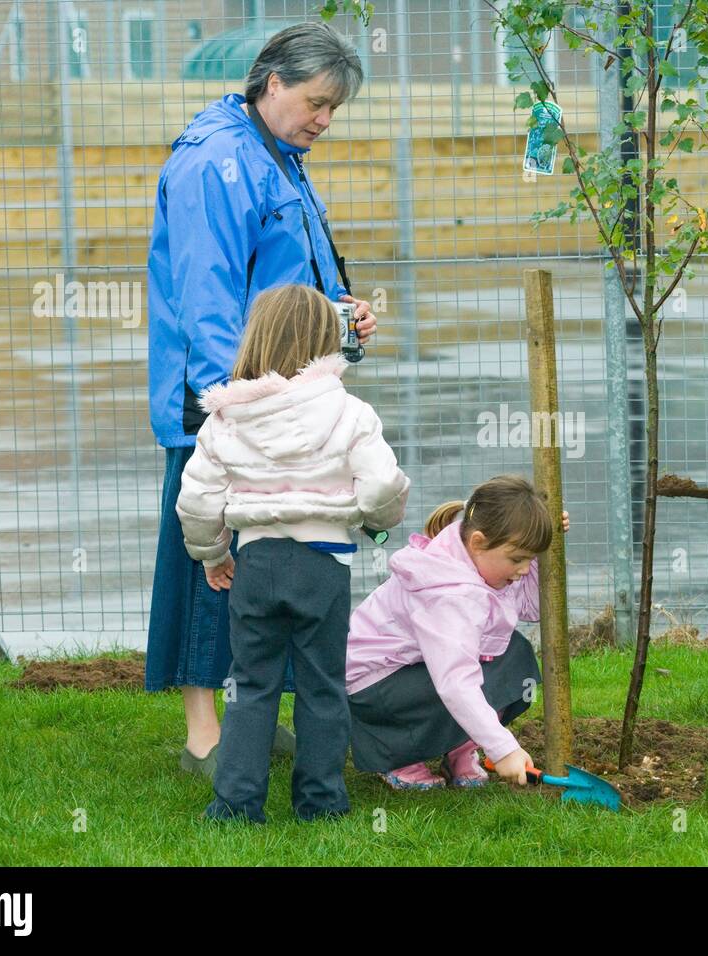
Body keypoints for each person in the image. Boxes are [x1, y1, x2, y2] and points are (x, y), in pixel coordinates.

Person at [145, 21, 378, 775]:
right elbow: (208, 300)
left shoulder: (278, 154)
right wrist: (239, 402)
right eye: (316, 102)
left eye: (334, 108)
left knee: (268, 554)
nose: (324, 120)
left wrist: (342, 315)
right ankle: (203, 735)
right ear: (270, 83)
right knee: (206, 556)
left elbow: (294, 271)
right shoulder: (217, 163)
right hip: (225, 399)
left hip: (285, 392)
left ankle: (246, 716)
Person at [175, 284, 409, 822]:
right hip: (323, 565)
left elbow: (197, 499)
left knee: (250, 683)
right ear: (329, 341)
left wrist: (212, 555)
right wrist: (375, 521)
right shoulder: (351, 413)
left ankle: (235, 804)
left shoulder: (226, 418)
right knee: (322, 685)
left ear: (253, 340)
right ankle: (321, 802)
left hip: (255, 564)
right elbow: (381, 486)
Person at [344, 476, 569, 790]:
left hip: (412, 671)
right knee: (463, 680)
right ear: (478, 542)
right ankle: (401, 756)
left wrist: (534, 551)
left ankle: (461, 749)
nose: (522, 570)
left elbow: (531, 608)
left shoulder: (479, 559)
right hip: (374, 688)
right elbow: (454, 681)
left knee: (514, 653)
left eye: (529, 560)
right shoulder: (449, 594)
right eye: (518, 560)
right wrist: (503, 749)